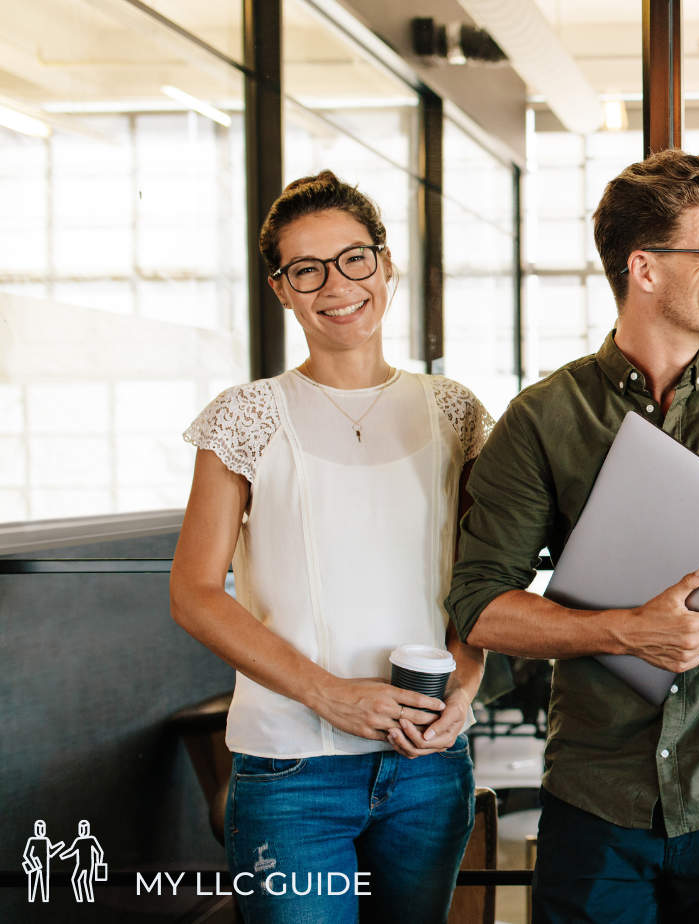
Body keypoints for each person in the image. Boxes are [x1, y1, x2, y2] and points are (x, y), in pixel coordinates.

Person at [444, 150, 699, 924]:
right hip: (597, 801)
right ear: (645, 268)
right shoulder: (544, 418)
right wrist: (625, 632)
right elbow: (478, 604)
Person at [172, 171, 490, 923]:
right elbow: (193, 592)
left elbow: (485, 578)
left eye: (354, 259)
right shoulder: (246, 416)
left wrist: (466, 686)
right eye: (306, 269)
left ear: (385, 266)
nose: (336, 285)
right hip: (291, 770)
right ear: (283, 289)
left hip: (426, 766)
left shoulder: (455, 411)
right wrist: (330, 695)